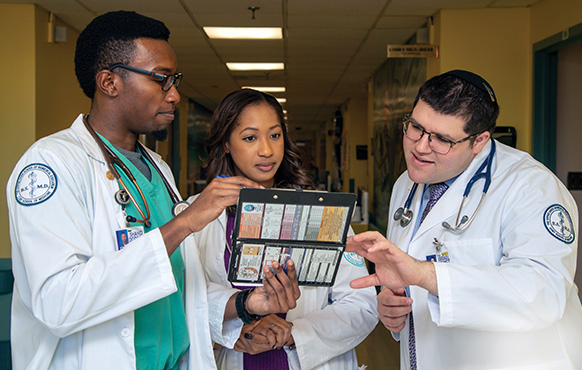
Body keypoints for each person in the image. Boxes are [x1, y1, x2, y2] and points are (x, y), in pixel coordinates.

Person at [6, 11, 297, 369]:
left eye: (174, 80)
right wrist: (184, 223)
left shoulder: (156, 169)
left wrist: (246, 305)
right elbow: (57, 302)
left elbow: (179, 291)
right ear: (110, 82)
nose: (174, 94)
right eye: (161, 79)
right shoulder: (52, 164)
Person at [347, 70, 582, 369]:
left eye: (442, 139)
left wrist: (424, 275)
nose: (420, 146)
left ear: (479, 140)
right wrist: (392, 306)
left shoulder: (531, 187)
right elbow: (410, 284)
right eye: (416, 127)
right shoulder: (406, 184)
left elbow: (543, 295)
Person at [188, 88, 378, 370]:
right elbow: (183, 299)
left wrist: (294, 334)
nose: (266, 150)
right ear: (226, 143)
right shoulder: (196, 215)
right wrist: (232, 333)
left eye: (275, 135)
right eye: (250, 137)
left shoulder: (323, 212)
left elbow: (361, 304)